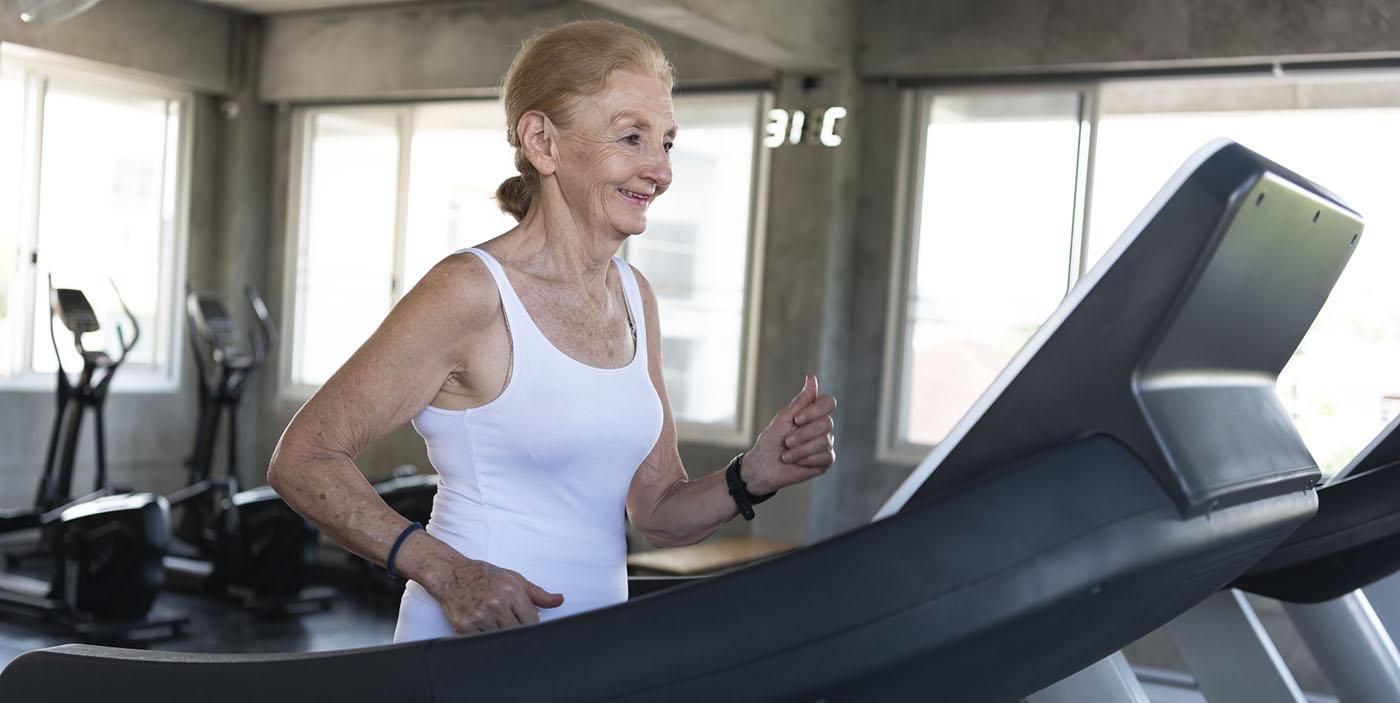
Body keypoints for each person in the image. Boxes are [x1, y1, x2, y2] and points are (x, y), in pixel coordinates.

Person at [267, 19, 837, 643]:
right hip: (471, 654)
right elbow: (303, 459)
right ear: (542, 141)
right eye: (632, 137)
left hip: (589, 655)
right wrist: (446, 572)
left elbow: (658, 511)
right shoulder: (470, 291)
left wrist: (750, 475)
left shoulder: (634, 297)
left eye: (667, 143)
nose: (661, 170)